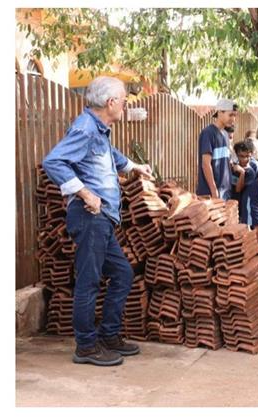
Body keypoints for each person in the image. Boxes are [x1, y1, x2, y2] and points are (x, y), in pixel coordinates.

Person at [42, 76, 152, 366]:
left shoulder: (98, 129)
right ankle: (86, 347)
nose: (126, 106)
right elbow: (53, 162)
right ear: (111, 102)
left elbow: (107, 155)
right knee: (89, 282)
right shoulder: (85, 127)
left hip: (103, 219)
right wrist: (85, 193)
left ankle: (109, 335)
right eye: (124, 101)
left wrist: (133, 167)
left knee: (122, 274)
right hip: (91, 217)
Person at [196, 98, 237, 200]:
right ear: (219, 112)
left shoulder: (225, 135)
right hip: (210, 193)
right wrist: (214, 190)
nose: (233, 119)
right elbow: (206, 164)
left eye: (235, 115)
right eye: (230, 115)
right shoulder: (208, 133)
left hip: (225, 193)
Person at [232, 141, 258, 244]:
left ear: (251, 154)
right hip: (243, 204)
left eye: (247, 156)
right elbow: (237, 189)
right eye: (241, 156)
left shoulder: (253, 167)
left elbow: (240, 188)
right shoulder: (235, 167)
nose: (244, 159)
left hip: (252, 203)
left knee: (256, 232)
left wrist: (242, 173)